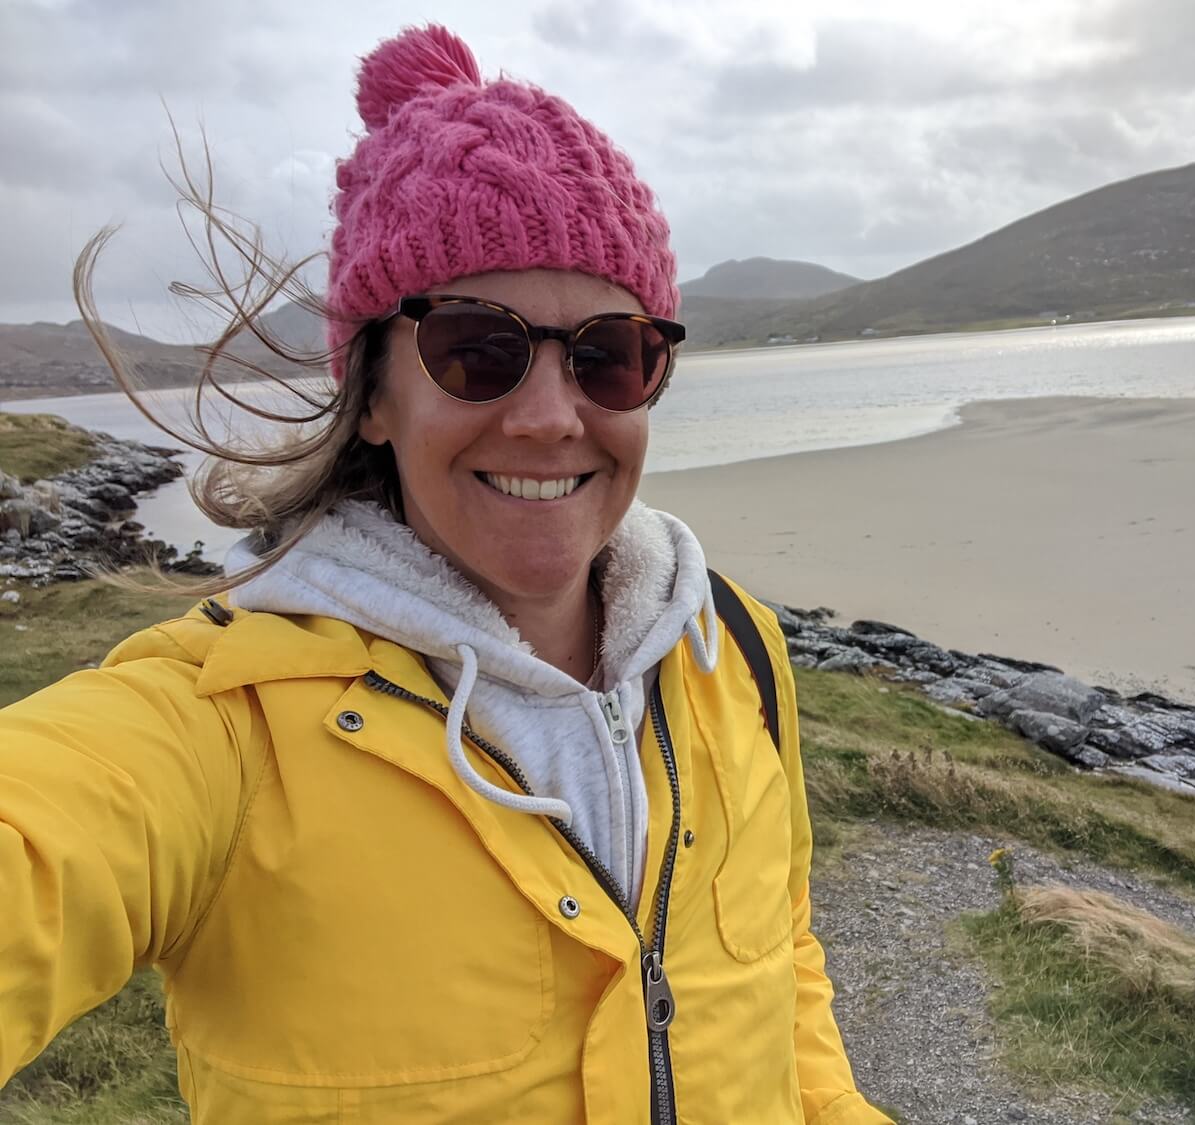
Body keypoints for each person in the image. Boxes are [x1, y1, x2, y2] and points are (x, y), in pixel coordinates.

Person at [0, 25, 889, 1124]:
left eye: (610, 354)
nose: (552, 416)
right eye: (479, 348)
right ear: (373, 394)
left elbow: (785, 957)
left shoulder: (731, 647)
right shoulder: (220, 730)